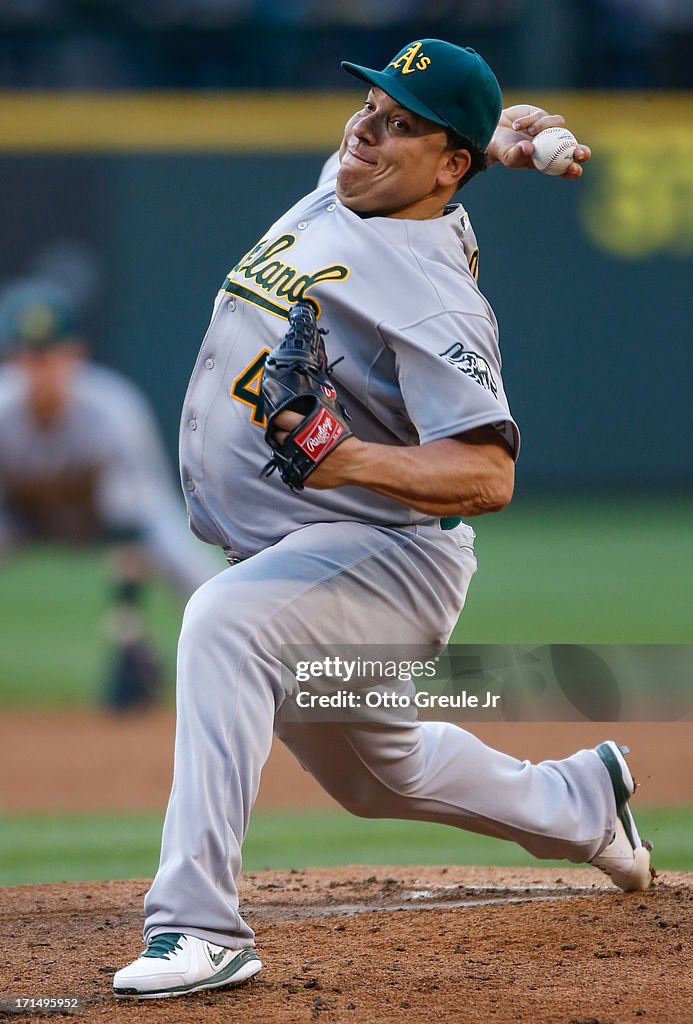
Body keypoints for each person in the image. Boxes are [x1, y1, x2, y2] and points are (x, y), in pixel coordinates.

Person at [113, 38, 652, 999]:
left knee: (224, 623)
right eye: (369, 104)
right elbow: (440, 148)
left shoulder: (434, 293)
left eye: (398, 123)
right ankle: (581, 801)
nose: (365, 128)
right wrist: (506, 138)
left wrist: (348, 458)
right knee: (378, 775)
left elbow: (487, 473)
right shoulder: (355, 182)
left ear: (441, 167)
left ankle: (198, 925)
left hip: (387, 556)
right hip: (303, 549)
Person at [0, 277, 222, 708]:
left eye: (50, 357)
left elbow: (131, 525)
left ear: (75, 355)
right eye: (29, 357)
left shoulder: (112, 408)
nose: (39, 370)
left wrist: (128, 628)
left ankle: (241, 672)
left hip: (115, 523)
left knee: (197, 571)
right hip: (29, 520)